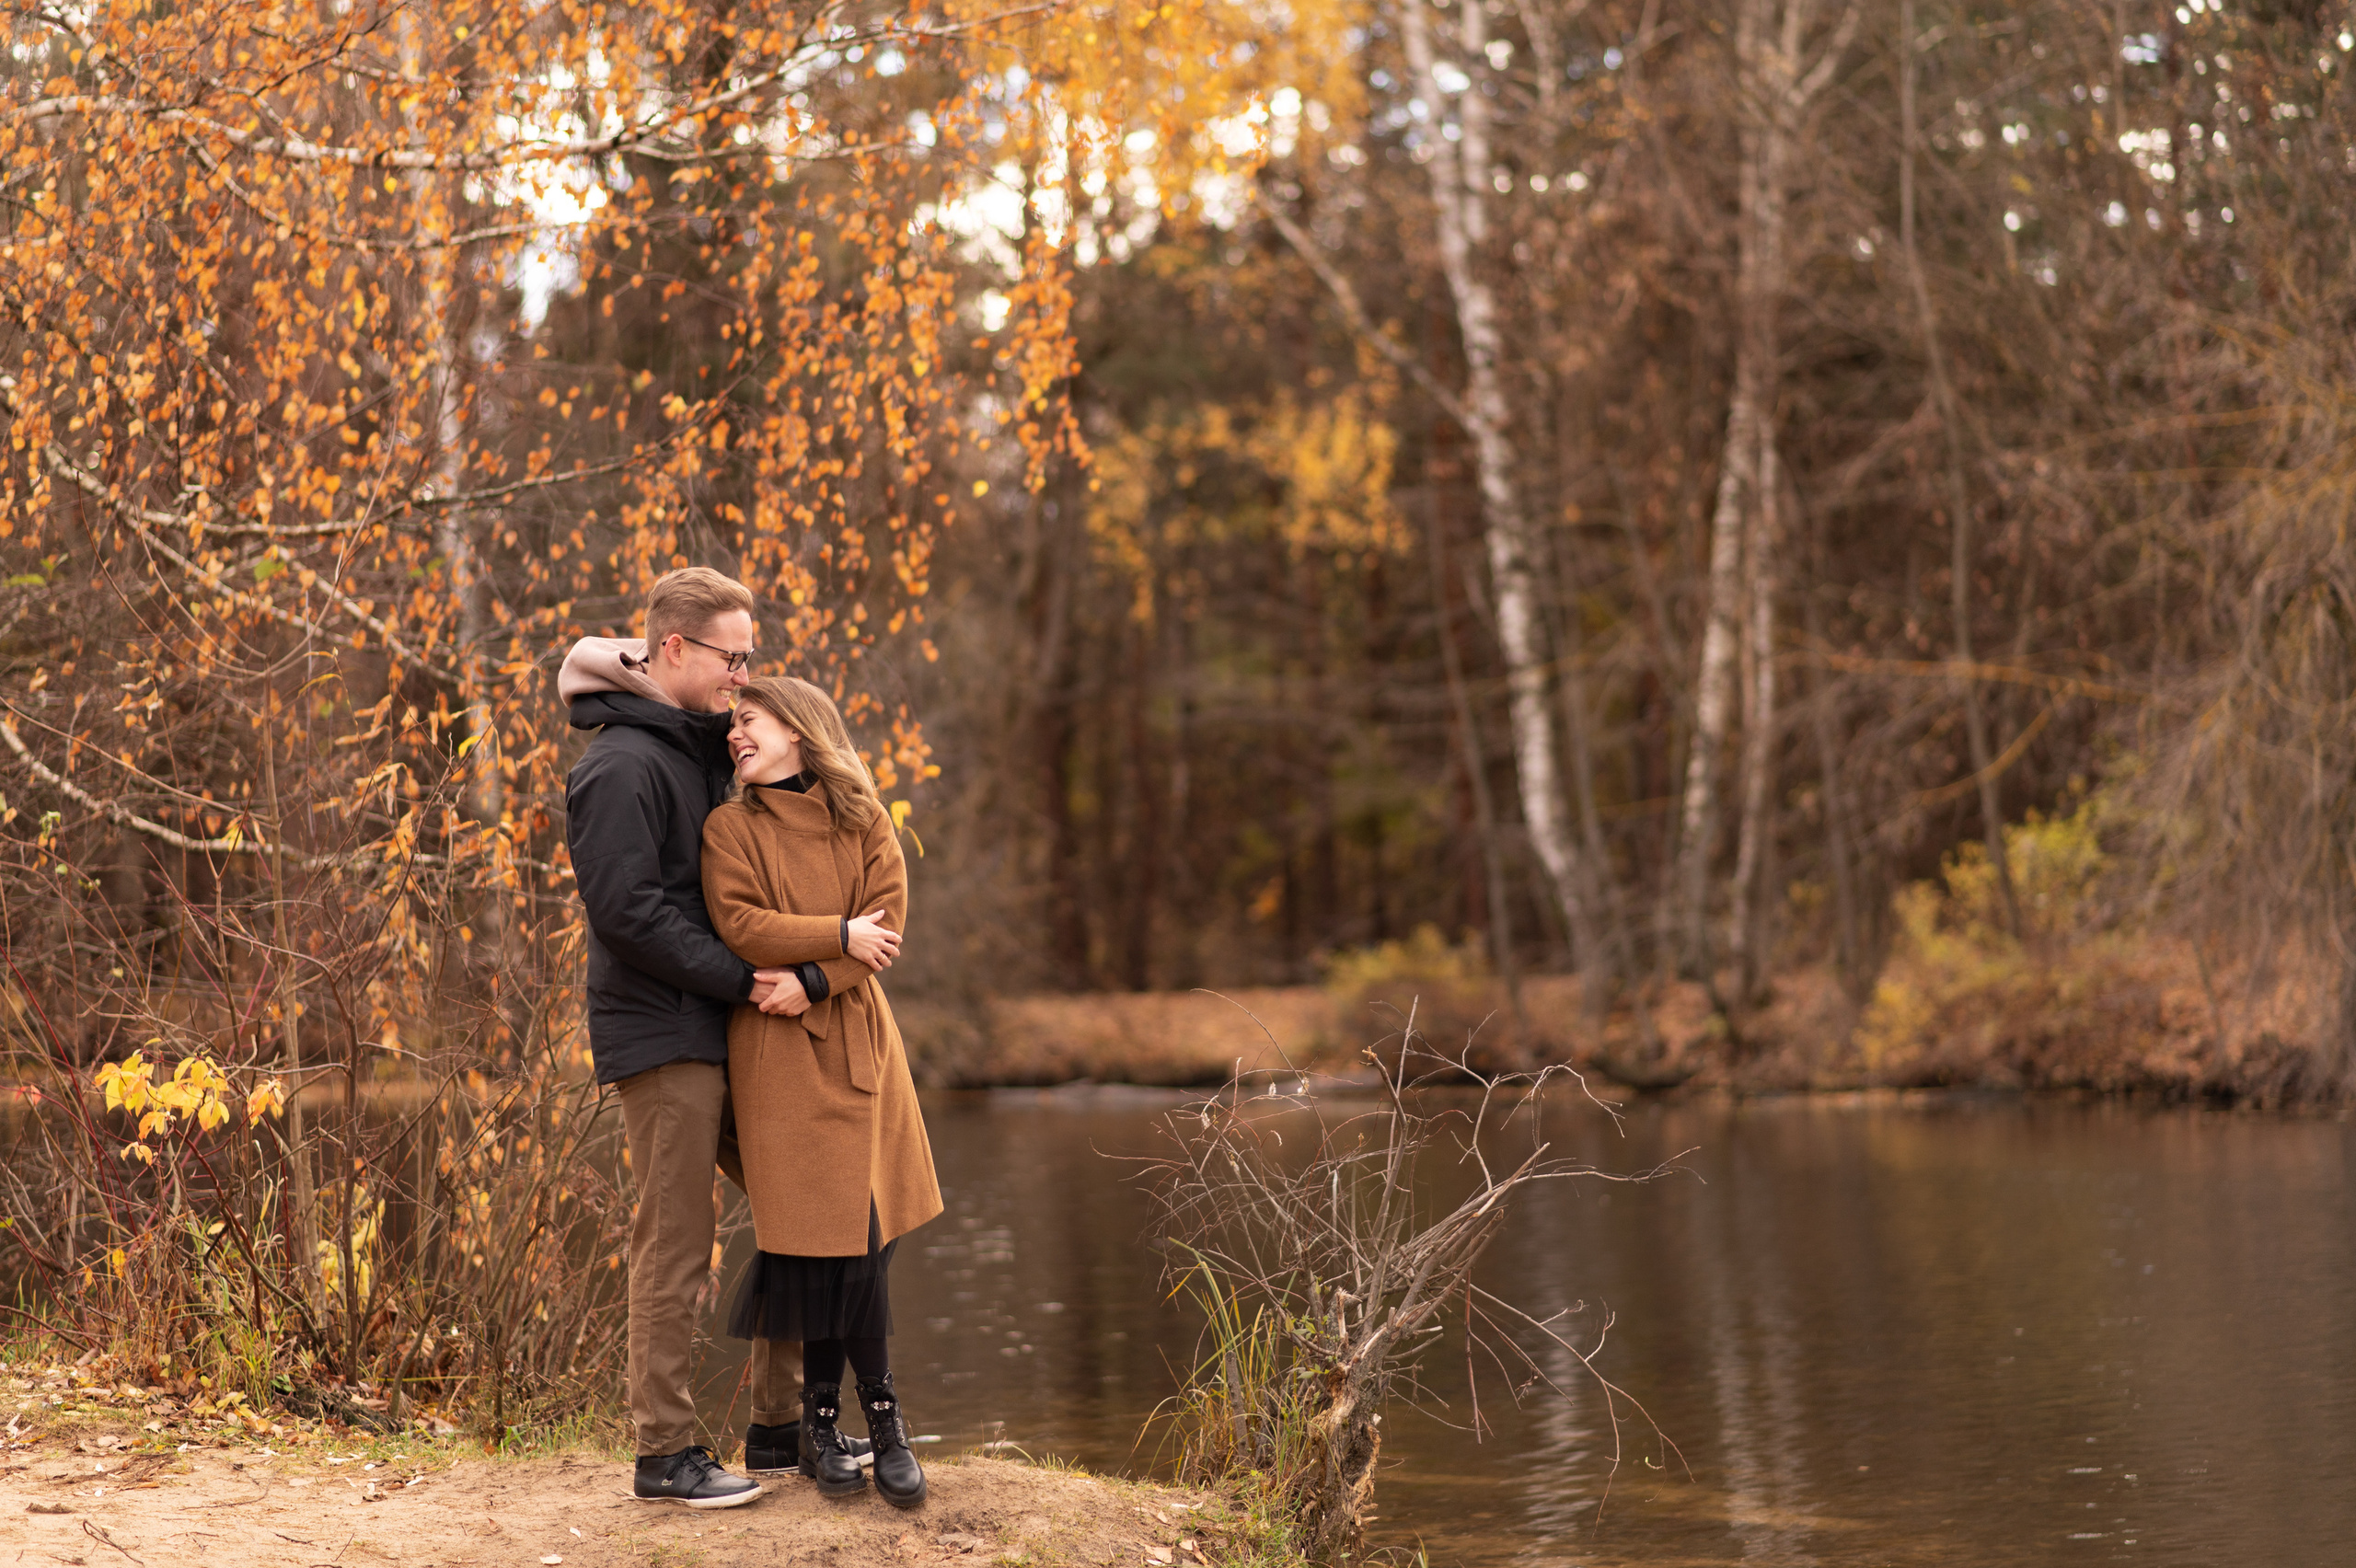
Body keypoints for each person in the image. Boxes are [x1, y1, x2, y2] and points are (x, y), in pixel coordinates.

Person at [562, 567, 826, 1508]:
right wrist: (745, 978)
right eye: (732, 657)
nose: (742, 675)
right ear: (674, 648)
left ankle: (782, 1429)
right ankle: (665, 1456)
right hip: (664, 1034)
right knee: (676, 1241)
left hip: (725, 1026)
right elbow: (628, 914)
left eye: (751, 658)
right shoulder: (619, 768)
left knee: (810, 1204)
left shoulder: (701, 750)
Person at [701, 675, 941, 1509]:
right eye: (733, 723)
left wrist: (813, 977)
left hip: (860, 1042)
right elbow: (741, 925)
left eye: (749, 720)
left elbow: (888, 930)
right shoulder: (731, 828)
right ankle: (851, 1425)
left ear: (799, 730)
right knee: (817, 1241)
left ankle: (849, 1422)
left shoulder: (865, 819)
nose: (735, 734)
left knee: (866, 1236)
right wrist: (838, 935)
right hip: (776, 1056)